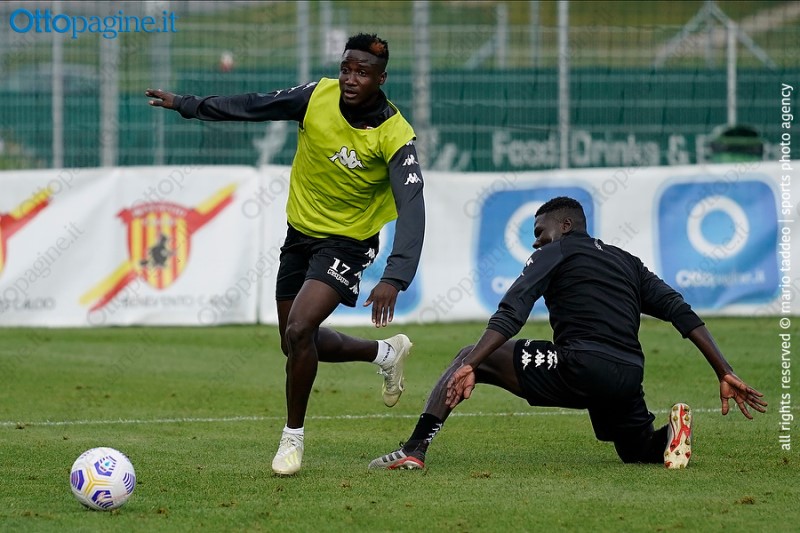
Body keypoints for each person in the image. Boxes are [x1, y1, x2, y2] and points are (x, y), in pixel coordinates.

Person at [147, 33, 425, 475]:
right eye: (346, 69)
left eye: (363, 73)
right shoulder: (316, 96)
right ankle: (384, 354)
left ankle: (292, 439)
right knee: (293, 341)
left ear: (381, 78)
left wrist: (395, 275)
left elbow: (412, 205)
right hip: (300, 234)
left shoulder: (395, 133)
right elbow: (254, 105)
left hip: (348, 243)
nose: (351, 79)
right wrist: (188, 104)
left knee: (299, 328)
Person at [369, 196, 766, 471]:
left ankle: (414, 448)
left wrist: (472, 364)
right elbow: (680, 311)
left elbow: (511, 312)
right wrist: (723, 370)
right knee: (636, 451)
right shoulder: (627, 261)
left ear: (565, 225)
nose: (535, 241)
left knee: (467, 353)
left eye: (540, 232)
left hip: (580, 364)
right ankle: (670, 437)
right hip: (628, 374)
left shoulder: (553, 252)